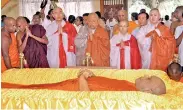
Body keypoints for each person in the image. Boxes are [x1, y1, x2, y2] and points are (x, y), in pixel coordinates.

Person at [2, 69, 166, 95]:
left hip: (72, 88)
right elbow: (103, 86)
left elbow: (88, 99)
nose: (145, 76)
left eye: (149, 79)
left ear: (148, 92)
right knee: (34, 86)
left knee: (34, 89)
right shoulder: (129, 86)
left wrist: (82, 78)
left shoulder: (130, 95)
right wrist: (91, 74)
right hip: (79, 81)